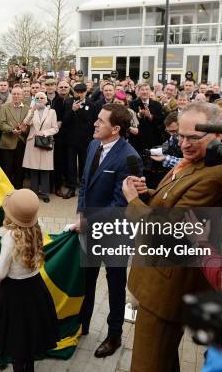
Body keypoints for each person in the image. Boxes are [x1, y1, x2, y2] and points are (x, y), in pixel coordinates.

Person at [123, 101, 222, 372]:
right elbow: (170, 203)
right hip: (157, 280)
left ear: (217, 134)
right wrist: (147, 193)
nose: (184, 144)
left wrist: (133, 201)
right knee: (162, 360)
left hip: (168, 289)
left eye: (194, 137)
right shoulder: (193, 162)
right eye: (180, 136)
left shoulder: (213, 175)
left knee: (147, 365)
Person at [75, 103, 143, 358]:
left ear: (115, 129)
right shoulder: (94, 144)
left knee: (115, 284)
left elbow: (121, 204)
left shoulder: (130, 158)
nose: (95, 124)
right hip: (90, 228)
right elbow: (84, 183)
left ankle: (114, 335)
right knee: (87, 278)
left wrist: (88, 221)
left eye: (101, 121)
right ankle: (82, 323)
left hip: (115, 232)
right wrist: (81, 213)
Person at [0, 188, 59, 372]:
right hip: (35, 288)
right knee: (31, 335)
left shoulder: (9, 238)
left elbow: (0, 272)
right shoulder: (37, 227)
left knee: (17, 341)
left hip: (13, 293)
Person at [62, 83, 100, 199]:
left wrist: (79, 110)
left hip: (86, 140)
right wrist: (72, 110)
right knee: (71, 165)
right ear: (74, 92)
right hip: (71, 140)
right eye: (77, 92)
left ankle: (84, 189)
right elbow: (64, 121)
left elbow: (91, 122)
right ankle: (71, 188)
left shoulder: (92, 104)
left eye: (82, 92)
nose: (79, 94)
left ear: (85, 92)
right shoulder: (68, 102)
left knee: (84, 164)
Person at [22, 92, 59, 203]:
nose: (39, 99)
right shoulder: (31, 111)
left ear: (46, 99)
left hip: (45, 142)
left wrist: (43, 133)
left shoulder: (52, 112)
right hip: (32, 142)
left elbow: (55, 128)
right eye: (37, 98)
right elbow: (25, 123)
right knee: (33, 169)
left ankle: (45, 193)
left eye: (42, 98)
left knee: (45, 169)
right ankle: (33, 193)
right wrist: (32, 111)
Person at [0, 86, 29, 188]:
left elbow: (29, 125)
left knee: (19, 168)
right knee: (7, 168)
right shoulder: (4, 107)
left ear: (22, 96)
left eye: (18, 94)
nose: (16, 96)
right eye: (14, 94)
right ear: (11, 95)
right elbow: (1, 124)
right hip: (7, 142)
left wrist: (24, 131)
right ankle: (7, 190)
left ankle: (18, 189)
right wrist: (11, 130)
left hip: (21, 142)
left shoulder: (27, 109)